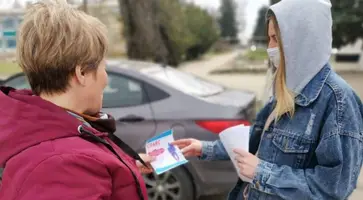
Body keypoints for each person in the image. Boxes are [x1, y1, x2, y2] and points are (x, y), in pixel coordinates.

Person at [173, 0, 363, 199]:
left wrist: (262, 173)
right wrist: (204, 148)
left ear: (302, 39)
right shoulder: (288, 86)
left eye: (275, 38)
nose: (270, 48)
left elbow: (334, 188)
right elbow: (257, 139)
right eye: (269, 38)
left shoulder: (339, 101)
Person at [0, 1, 154, 199]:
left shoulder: (57, 134)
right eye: (102, 67)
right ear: (81, 73)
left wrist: (126, 167)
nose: (106, 79)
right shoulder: (63, 165)